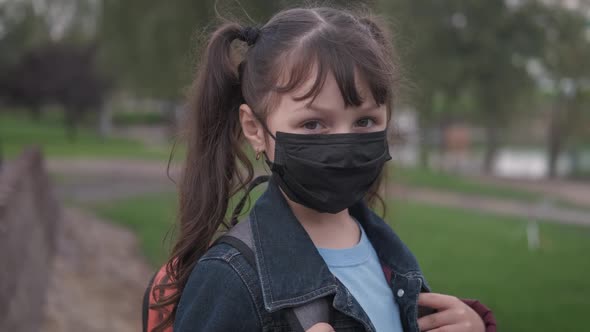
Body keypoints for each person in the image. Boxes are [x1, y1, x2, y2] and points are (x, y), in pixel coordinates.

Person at [150, 5, 496, 332]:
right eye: (313, 124)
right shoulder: (229, 277)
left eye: (365, 121)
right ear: (255, 129)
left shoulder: (384, 251)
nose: (344, 146)